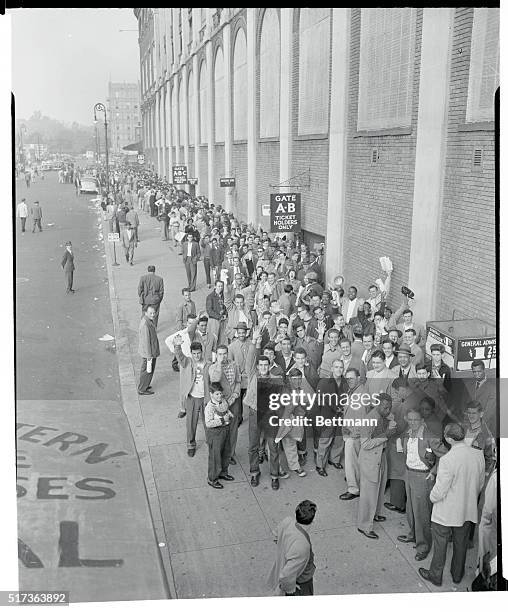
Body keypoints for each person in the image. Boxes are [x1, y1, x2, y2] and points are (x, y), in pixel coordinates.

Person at [418, 423, 485, 586]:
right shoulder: (478, 454)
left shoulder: (448, 459)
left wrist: (431, 497)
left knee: (440, 544)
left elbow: (440, 491)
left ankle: (435, 575)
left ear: (448, 438)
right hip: (467, 510)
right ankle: (457, 575)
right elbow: (480, 483)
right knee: (461, 544)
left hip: (446, 512)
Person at [396, 408, 447, 561]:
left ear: (422, 421)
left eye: (416, 420)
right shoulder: (407, 433)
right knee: (411, 510)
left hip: (422, 477)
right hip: (409, 473)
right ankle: (413, 535)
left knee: (422, 514)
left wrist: (434, 470)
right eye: (410, 419)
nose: (413, 423)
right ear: (406, 419)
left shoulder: (430, 437)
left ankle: (423, 546)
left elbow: (445, 456)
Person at [357, 393, 397, 539]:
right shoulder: (369, 420)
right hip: (370, 460)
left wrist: (389, 423)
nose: (388, 410)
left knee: (379, 489)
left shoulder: (385, 416)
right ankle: (364, 525)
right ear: (377, 405)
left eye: (390, 407)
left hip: (381, 457)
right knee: (368, 494)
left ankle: (375, 514)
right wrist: (386, 434)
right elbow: (365, 444)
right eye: (386, 407)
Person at [268, 500, 317, 596]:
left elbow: (276, 536)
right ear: (313, 519)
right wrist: (290, 588)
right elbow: (287, 575)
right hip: (302, 582)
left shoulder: (287, 521)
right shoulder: (302, 546)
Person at [173, 337, 211, 456]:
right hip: (192, 397)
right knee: (191, 423)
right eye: (194, 353)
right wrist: (177, 346)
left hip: (205, 398)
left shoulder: (208, 364)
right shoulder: (187, 362)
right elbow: (180, 357)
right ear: (191, 353)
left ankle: (210, 442)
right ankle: (191, 444)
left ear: (202, 352)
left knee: (208, 422)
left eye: (198, 353)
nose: (196, 356)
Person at [204, 383, 234, 489]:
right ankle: (212, 478)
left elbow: (226, 409)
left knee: (226, 453)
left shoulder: (223, 402)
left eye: (220, 393)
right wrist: (222, 420)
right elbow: (208, 423)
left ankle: (223, 473)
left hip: (225, 430)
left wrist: (229, 413)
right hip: (215, 434)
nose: (219, 396)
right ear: (211, 394)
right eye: (216, 394)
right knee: (215, 456)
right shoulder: (210, 407)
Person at [137, 305, 160, 396]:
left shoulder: (147, 321)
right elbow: (146, 342)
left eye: (154, 313)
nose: (153, 315)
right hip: (149, 353)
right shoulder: (145, 325)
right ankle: (142, 388)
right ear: (146, 313)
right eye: (150, 313)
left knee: (148, 370)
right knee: (147, 371)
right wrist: (149, 356)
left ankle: (145, 385)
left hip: (150, 351)